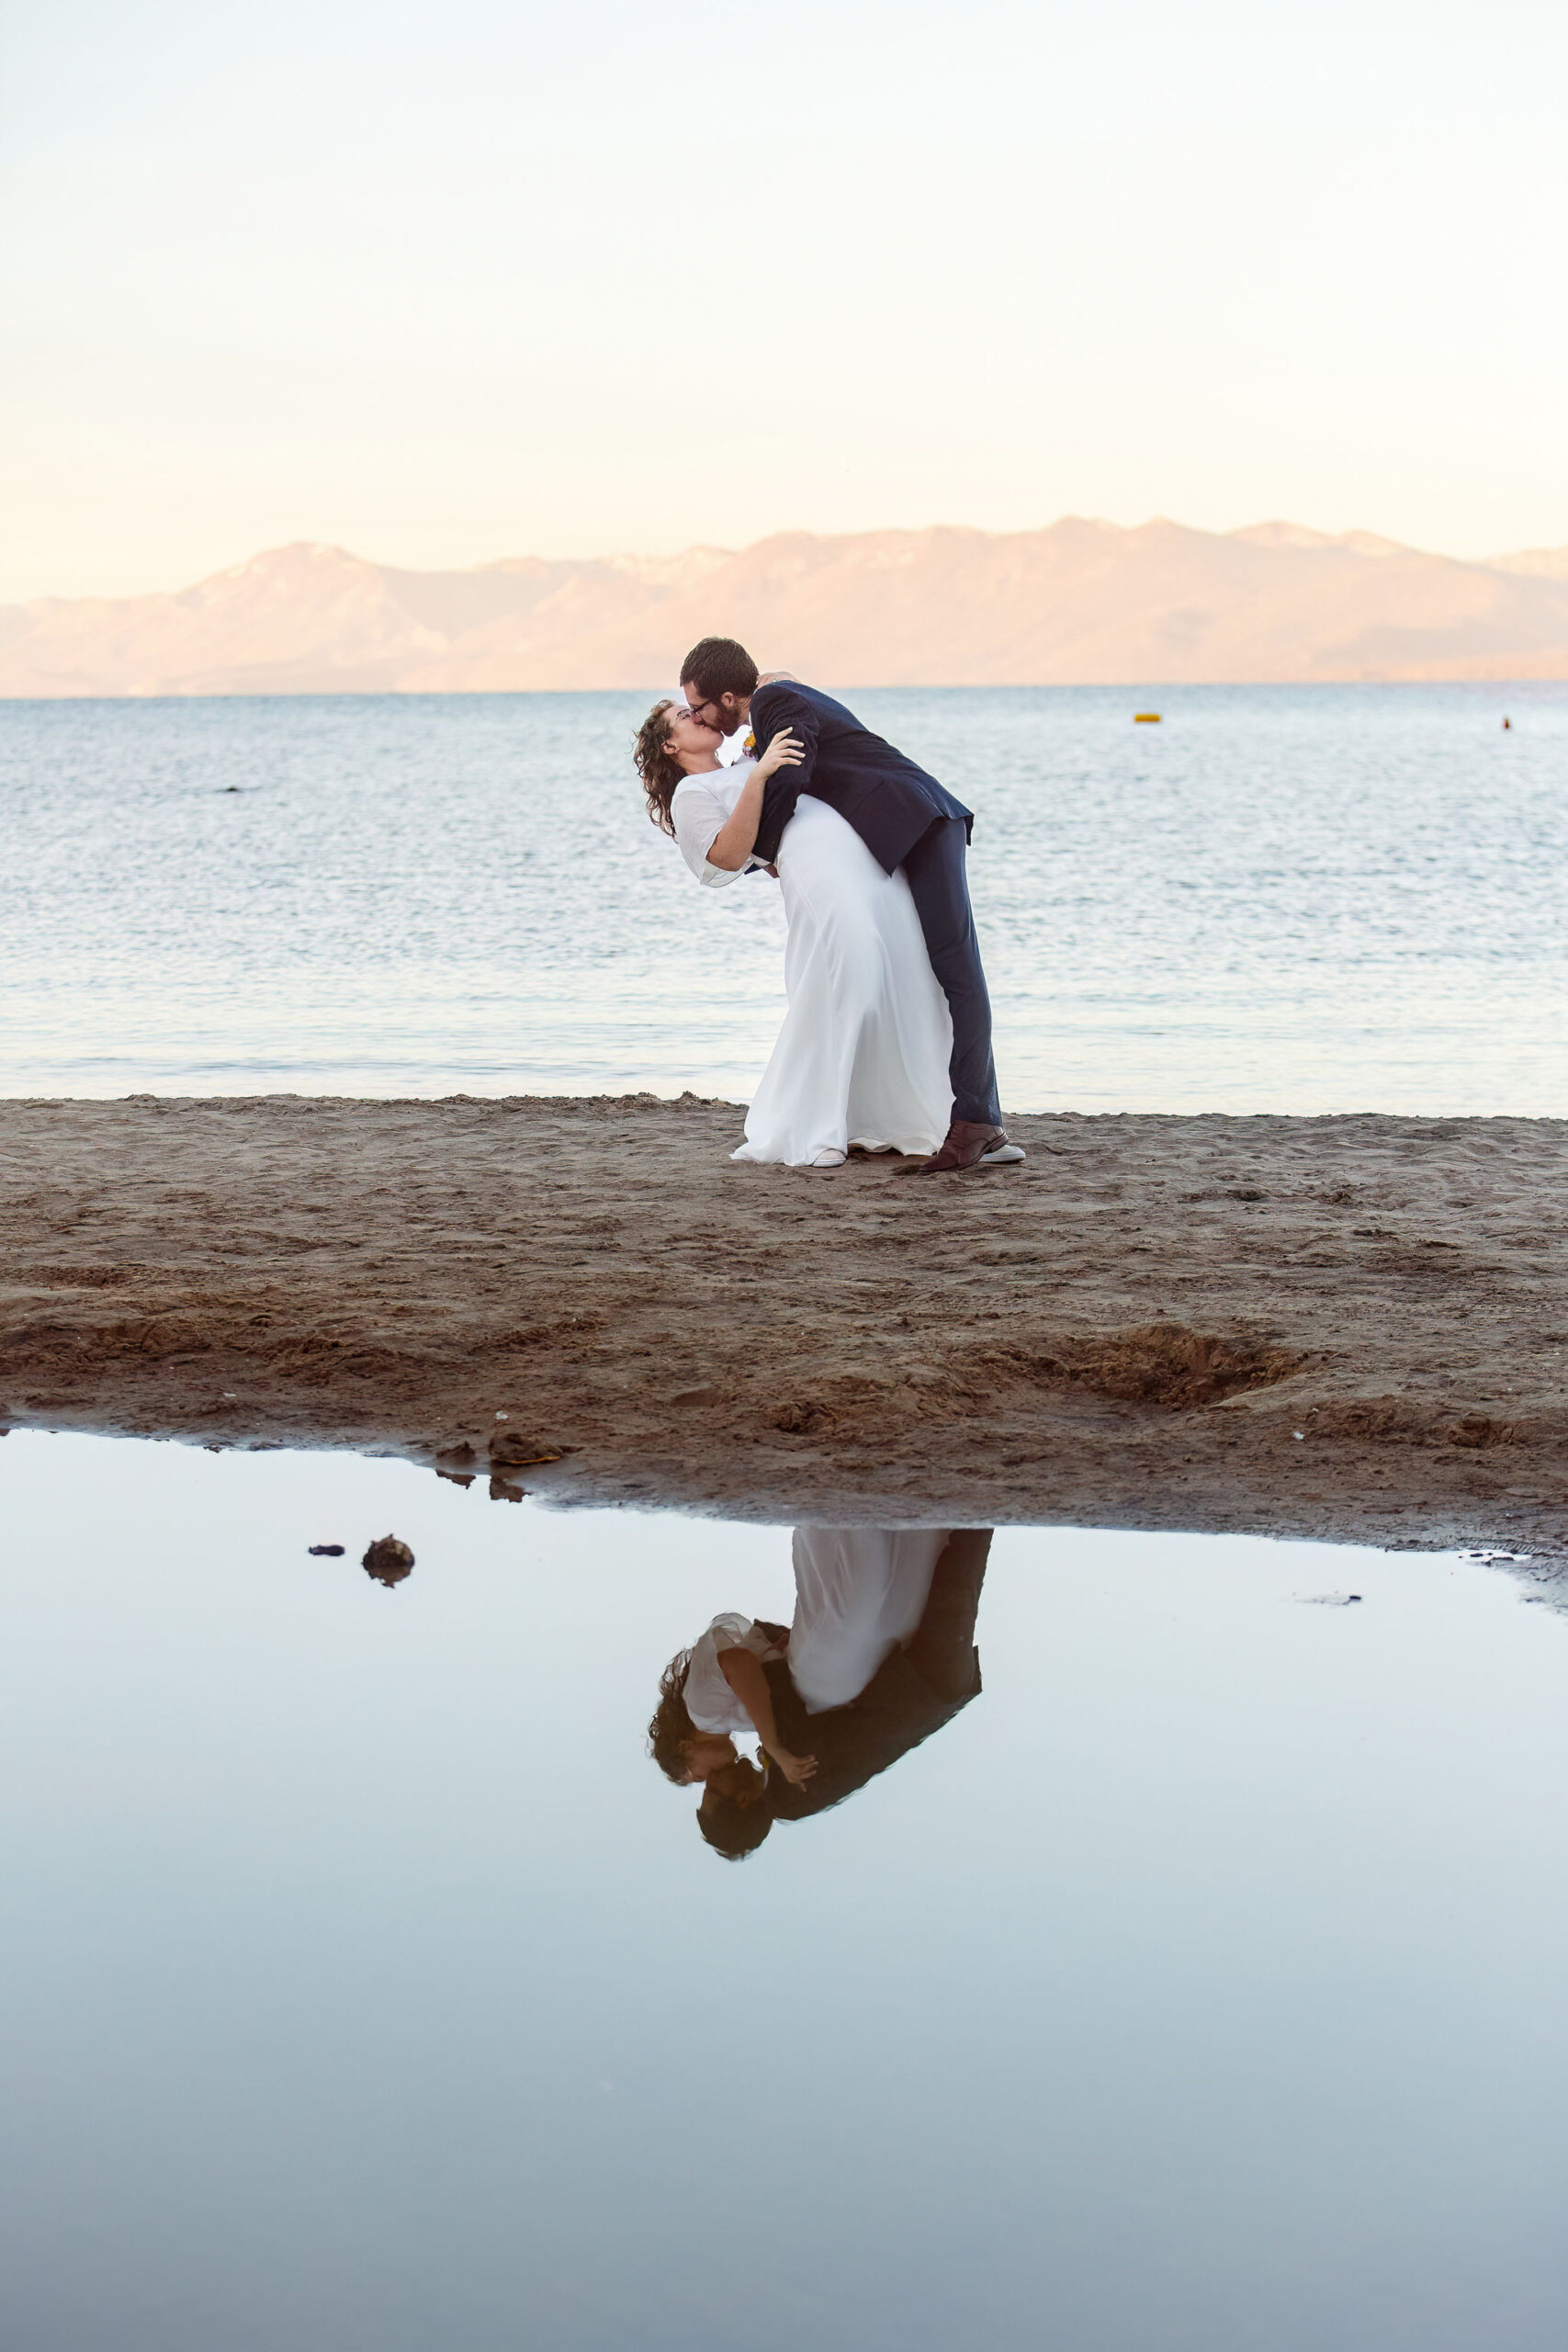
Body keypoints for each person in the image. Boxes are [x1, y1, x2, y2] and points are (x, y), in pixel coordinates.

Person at [680, 637, 1023, 1176]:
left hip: (919, 820)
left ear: (727, 696)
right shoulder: (776, 699)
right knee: (944, 970)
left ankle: (978, 1122)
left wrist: (767, 853)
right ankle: (979, 1120)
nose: (699, 717)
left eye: (699, 706)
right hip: (907, 827)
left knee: (957, 970)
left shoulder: (775, 702)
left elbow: (791, 771)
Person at [635, 695, 955, 1168]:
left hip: (860, 859)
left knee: (903, 969)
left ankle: (889, 1119)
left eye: (695, 707)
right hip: (819, 873)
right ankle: (815, 1126)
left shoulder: (747, 756)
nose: (697, 715)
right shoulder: (693, 793)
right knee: (854, 976)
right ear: (668, 745)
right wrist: (761, 776)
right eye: (684, 717)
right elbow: (726, 855)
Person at [649, 1527, 989, 1860]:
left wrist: (776, 1660)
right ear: (741, 1800)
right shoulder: (788, 1796)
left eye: (701, 1780)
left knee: (955, 1559)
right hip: (924, 1685)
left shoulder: (772, 1770)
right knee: (960, 1566)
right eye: (711, 1790)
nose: (709, 1781)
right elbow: (794, 1713)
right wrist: (776, 1742)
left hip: (919, 1686)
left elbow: (781, 1696)